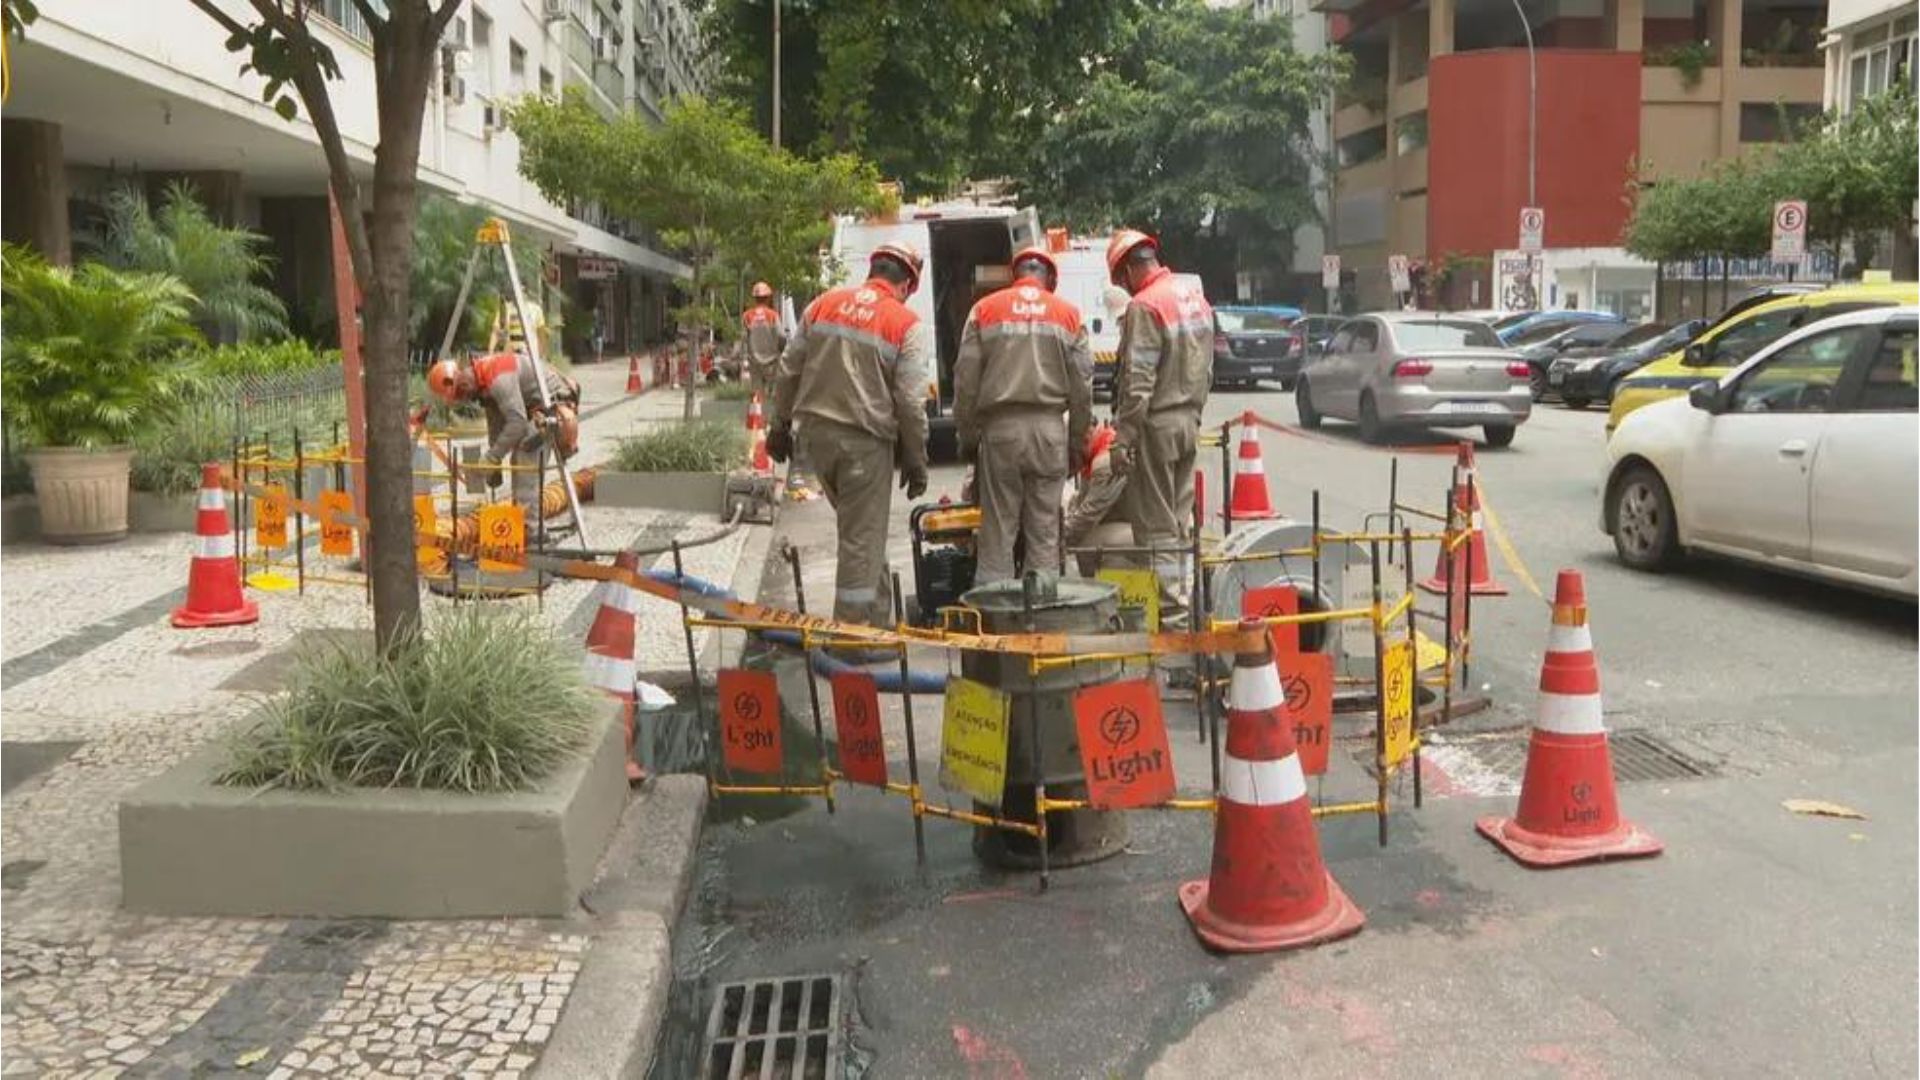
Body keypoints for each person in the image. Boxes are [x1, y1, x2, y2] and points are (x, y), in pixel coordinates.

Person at [767, 243, 933, 630]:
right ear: (907, 283)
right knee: (860, 539)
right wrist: (916, 460)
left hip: (816, 438)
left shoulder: (824, 304)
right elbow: (910, 403)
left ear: (872, 269)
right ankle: (853, 636)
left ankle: (878, 620)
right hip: (864, 443)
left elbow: (789, 369)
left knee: (863, 529)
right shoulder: (905, 324)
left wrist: (778, 426)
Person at [952, 246, 1094, 583]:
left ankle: (995, 622)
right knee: (1044, 532)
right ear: (1050, 279)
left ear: (1016, 275)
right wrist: (1077, 444)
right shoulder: (1069, 315)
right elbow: (1083, 388)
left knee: (998, 532)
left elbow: (966, 381)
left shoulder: (984, 310)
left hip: (1000, 432)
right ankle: (1040, 620)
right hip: (1049, 432)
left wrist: (969, 439)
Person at [1106, 228, 1213, 628]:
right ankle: (1188, 612)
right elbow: (1208, 368)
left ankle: (1172, 621)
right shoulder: (1194, 297)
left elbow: (1138, 382)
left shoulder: (1146, 305)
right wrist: (1196, 412)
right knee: (1179, 526)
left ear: (1130, 269)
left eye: (1121, 279)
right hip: (1189, 420)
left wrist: (1124, 439)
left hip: (1157, 425)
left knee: (1156, 531)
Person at [427, 352, 580, 516]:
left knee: (524, 456)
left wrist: (493, 456)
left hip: (554, 410)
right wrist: (495, 465)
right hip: (537, 408)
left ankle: (532, 529)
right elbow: (496, 424)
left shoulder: (498, 378)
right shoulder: (483, 382)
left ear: (462, 383)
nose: (465, 399)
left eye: (461, 395)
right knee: (519, 455)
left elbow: (518, 423)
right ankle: (519, 520)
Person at [1063, 423, 1131, 578]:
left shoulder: (1103, 462)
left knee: (1086, 543)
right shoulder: (1106, 444)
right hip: (1140, 528)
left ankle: (1094, 591)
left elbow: (1087, 517)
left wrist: (1055, 541)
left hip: (1137, 534)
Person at [741, 281, 786, 394]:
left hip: (754, 362)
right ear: (768, 298)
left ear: (755, 298)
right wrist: (782, 349)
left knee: (757, 395)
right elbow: (781, 336)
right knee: (774, 394)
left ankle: (758, 412)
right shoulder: (772, 315)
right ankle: (771, 411)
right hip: (772, 361)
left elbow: (744, 338)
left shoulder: (747, 316)